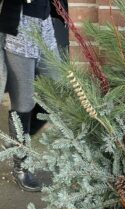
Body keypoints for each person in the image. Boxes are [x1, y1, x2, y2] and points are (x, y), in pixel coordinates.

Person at [0, 0, 67, 192]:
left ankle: (18, 141)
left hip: (44, 24)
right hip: (19, 30)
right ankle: (20, 166)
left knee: (56, 91)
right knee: (23, 102)